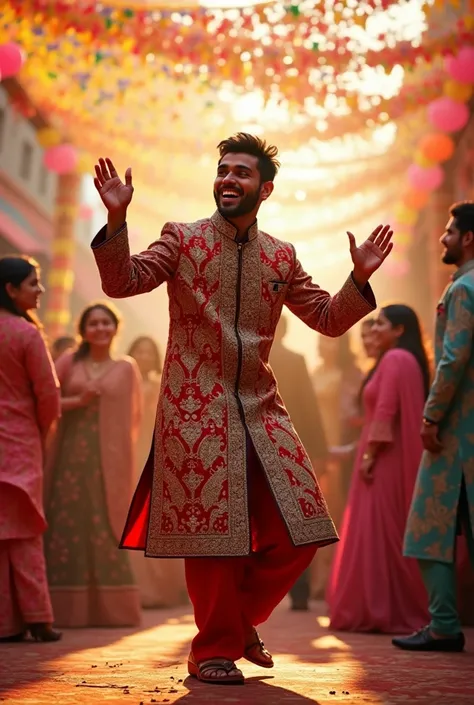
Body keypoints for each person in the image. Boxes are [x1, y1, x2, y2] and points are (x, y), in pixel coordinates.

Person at [90, 133, 393, 684]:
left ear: (266, 188)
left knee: (306, 531)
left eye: (242, 173)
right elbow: (122, 281)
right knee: (212, 543)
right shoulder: (181, 239)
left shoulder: (281, 255)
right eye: (223, 171)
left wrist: (360, 278)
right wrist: (116, 221)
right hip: (193, 414)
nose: (229, 179)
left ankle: (235, 624)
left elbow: (326, 318)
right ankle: (213, 650)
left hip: (262, 409)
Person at [393, 201, 474, 653]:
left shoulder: (463, 288)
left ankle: (443, 625)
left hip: (457, 431)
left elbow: (453, 357)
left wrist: (431, 416)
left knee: (427, 528)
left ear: (468, 238)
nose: (442, 239)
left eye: (448, 232)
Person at [327, 304, 430, 633]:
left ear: (399, 330)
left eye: (381, 325)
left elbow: (385, 413)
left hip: (382, 458)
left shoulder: (396, 359)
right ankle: (387, 603)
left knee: (378, 531)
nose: (374, 331)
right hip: (386, 454)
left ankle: (380, 607)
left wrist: (370, 456)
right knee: (387, 531)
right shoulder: (406, 360)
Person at [44, 303, 142, 628]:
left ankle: (113, 612)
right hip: (71, 459)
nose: (100, 328)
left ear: (115, 328)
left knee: (105, 524)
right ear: (83, 330)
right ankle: (65, 612)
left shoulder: (126, 368)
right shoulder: (69, 362)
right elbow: (43, 401)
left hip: (108, 462)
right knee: (68, 524)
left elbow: (134, 419)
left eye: (106, 322)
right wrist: (77, 402)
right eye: (93, 323)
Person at [0, 256, 61, 642]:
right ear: (11, 290)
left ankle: (6, 623)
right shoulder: (25, 333)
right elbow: (48, 395)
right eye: (33, 283)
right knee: (24, 533)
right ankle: (37, 618)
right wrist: (42, 431)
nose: (39, 290)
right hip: (19, 443)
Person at [269, 315, 329, 611]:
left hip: (251, 446)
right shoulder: (295, 359)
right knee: (297, 518)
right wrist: (318, 451)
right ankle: (300, 592)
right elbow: (309, 407)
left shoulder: (243, 354)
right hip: (290, 446)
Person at [127, 335, 187, 608]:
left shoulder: (163, 382)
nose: (144, 356)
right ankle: (140, 588)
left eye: (149, 352)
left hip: (156, 449)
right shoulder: (126, 381)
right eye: (139, 350)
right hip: (129, 450)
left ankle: (166, 588)